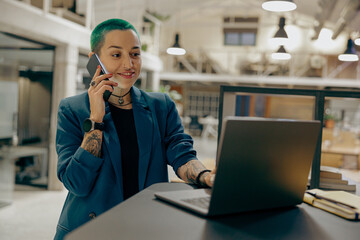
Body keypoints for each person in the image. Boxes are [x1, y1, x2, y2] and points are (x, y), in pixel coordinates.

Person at [54, 18, 215, 240]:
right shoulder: (72, 109)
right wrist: (96, 119)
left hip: (144, 227)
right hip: (89, 230)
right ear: (95, 60)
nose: (129, 64)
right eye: (116, 55)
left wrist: (206, 176)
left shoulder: (161, 106)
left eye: (135, 54)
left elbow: (182, 154)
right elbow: (76, 184)